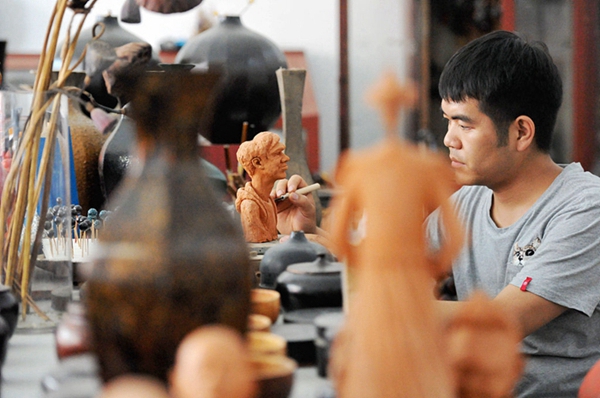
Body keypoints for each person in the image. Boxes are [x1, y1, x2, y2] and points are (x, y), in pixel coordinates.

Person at [276, 30, 600, 397]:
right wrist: (310, 234)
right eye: (447, 121)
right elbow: (386, 262)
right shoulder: (470, 200)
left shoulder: (586, 209)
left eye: (464, 124)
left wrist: (386, 303)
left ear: (521, 132)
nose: (449, 139)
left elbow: (503, 320)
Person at [236, 131, 290, 243]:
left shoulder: (269, 200)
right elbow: (256, 239)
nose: (285, 158)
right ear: (258, 163)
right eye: (277, 153)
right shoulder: (250, 205)